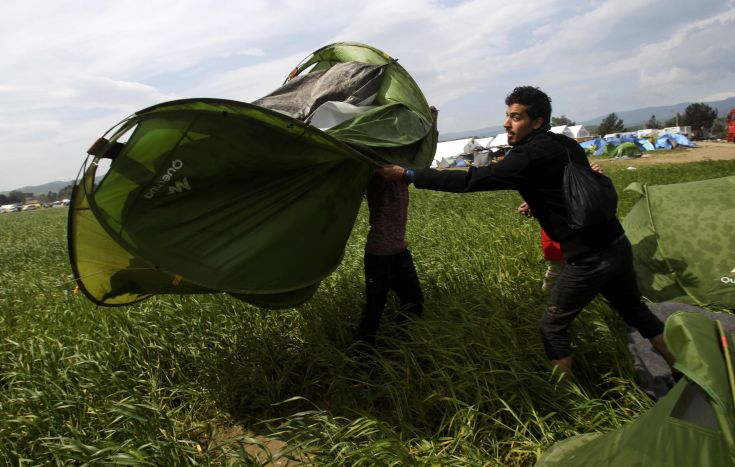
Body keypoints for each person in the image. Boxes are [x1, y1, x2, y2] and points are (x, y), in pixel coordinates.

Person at [376, 86, 675, 377]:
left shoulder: (527, 156)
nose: (507, 123)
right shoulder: (563, 144)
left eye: (516, 117)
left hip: (589, 258)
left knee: (552, 328)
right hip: (617, 244)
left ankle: (565, 399)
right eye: (507, 115)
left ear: (537, 122)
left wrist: (409, 175)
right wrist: (538, 202)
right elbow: (573, 187)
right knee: (637, 312)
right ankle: (680, 370)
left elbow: (471, 180)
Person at [355, 106, 438, 347]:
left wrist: (432, 123)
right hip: (379, 255)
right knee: (374, 310)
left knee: (414, 302)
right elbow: (379, 166)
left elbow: (420, 155)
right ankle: (363, 355)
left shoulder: (402, 176)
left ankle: (399, 343)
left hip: (400, 252)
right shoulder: (378, 179)